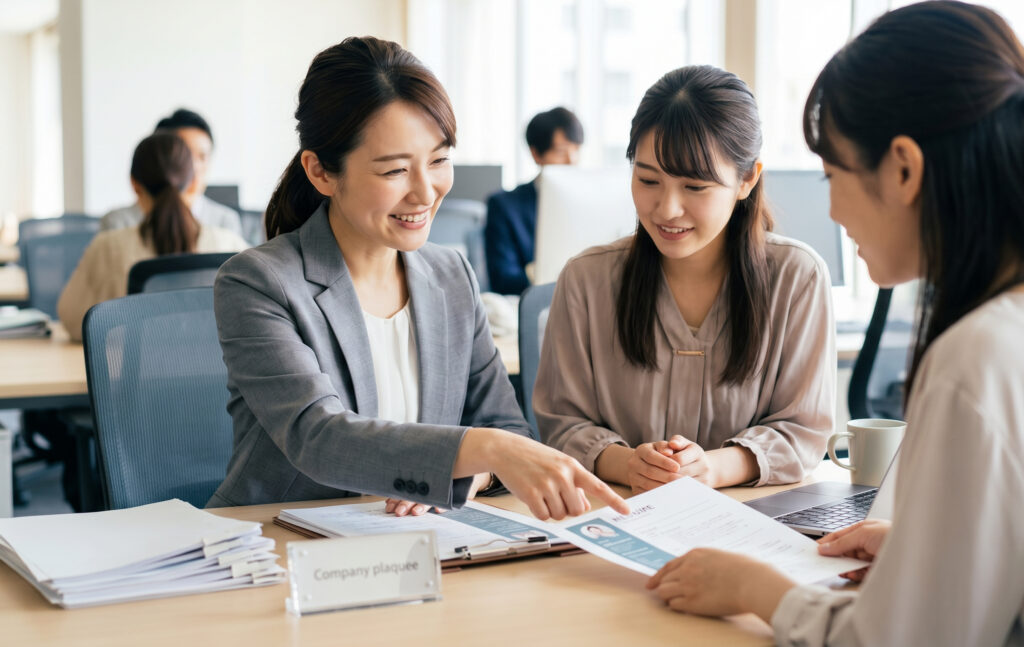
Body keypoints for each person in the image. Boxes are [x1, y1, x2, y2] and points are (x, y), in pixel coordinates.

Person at [647, 3, 1024, 644]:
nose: (830, 207)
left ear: (903, 169)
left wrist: (756, 589)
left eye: (833, 173)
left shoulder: (977, 354)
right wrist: (928, 548)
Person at [207, 36, 627, 522]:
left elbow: (506, 427)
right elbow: (319, 438)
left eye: (439, 160)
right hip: (275, 544)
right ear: (321, 171)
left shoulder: (450, 275)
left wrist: (471, 473)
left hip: (419, 544)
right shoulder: (258, 282)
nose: (426, 192)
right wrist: (480, 448)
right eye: (395, 171)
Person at [535, 66, 834, 493]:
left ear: (747, 179)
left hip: (750, 525)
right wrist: (627, 463)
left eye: (695, 187)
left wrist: (714, 468)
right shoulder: (586, 279)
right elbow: (561, 423)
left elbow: (804, 429)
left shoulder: (797, 277)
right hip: (620, 518)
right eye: (648, 180)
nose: (667, 209)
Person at [57, 132, 248, 341]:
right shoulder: (231, 246)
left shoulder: (106, 247)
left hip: (128, 372)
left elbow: (73, 322)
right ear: (193, 181)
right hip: (217, 374)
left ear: (135, 185)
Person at [484, 107, 584, 295]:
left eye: (576, 150)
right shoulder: (505, 206)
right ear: (536, 154)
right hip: (535, 305)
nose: (572, 161)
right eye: (562, 152)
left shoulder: (589, 204)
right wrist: (540, 273)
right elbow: (502, 279)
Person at [101, 108, 243, 237]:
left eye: (202, 157)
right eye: (184, 156)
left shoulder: (225, 222)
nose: (194, 166)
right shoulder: (118, 224)